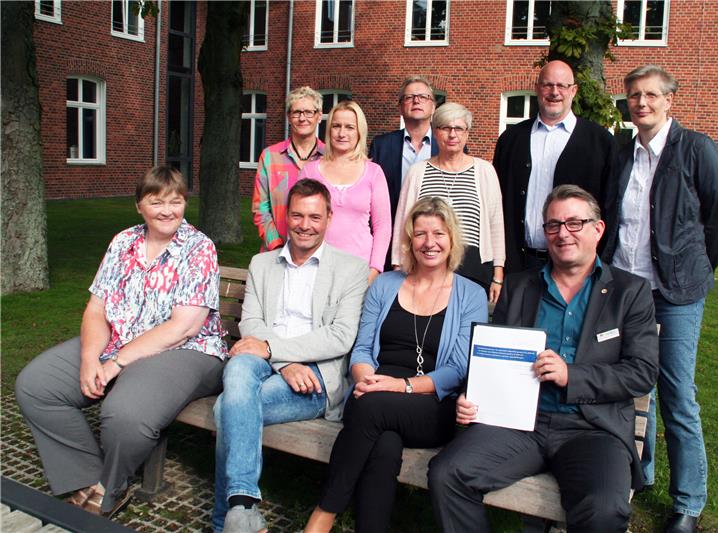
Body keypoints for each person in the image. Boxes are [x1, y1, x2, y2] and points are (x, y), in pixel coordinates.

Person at [428, 185, 659, 533]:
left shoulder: (630, 292)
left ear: (598, 229)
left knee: (604, 509)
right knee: (448, 474)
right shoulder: (520, 287)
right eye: (553, 225)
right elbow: (494, 356)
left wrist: (572, 376)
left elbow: (642, 373)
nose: (563, 233)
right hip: (520, 424)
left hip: (591, 429)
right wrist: (472, 394)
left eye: (574, 223)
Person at [16, 166, 226, 517]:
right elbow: (96, 310)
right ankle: (85, 475)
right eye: (156, 201)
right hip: (121, 340)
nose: (167, 210)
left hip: (187, 351)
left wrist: (114, 363)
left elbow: (183, 327)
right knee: (37, 386)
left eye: (176, 201)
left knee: (125, 414)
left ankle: (110, 486)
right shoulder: (123, 242)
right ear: (138, 206)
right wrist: (88, 357)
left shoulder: (199, 248)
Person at [602, 65, 718, 533]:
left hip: (676, 293)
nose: (642, 103)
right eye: (634, 96)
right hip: (626, 288)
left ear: (669, 100)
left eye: (651, 95)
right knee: (638, 387)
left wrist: (692, 269)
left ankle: (689, 502)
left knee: (678, 394)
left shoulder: (695, 149)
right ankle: (646, 471)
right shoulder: (623, 152)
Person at [304, 197, 488, 533]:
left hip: (431, 405)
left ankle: (323, 515)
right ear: (408, 240)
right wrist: (365, 378)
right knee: (384, 445)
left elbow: (458, 369)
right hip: (374, 391)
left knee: (370, 409)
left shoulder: (471, 295)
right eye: (420, 234)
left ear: (452, 239)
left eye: (438, 233)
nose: (429, 243)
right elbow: (361, 349)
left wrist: (398, 386)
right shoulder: (386, 285)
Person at [212, 179, 369, 533]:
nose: (305, 225)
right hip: (271, 362)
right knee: (239, 367)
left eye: (314, 216)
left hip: (314, 377)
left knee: (227, 409)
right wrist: (284, 362)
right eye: (297, 215)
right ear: (286, 217)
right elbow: (251, 322)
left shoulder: (351, 269)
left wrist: (275, 352)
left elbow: (340, 337)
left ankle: (228, 520)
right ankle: (243, 505)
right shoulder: (262, 263)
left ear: (329, 217)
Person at [493, 60, 617, 274]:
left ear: (574, 90)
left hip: (577, 267)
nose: (554, 92)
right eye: (547, 85)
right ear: (537, 88)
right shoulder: (511, 140)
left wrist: (599, 263)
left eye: (562, 86)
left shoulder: (601, 142)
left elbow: (611, 208)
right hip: (519, 264)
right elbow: (496, 203)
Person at [392, 102, 505, 303]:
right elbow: (403, 222)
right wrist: (399, 266)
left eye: (459, 128)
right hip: (425, 266)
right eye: (445, 128)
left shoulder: (485, 170)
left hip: (473, 268)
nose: (452, 135)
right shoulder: (418, 171)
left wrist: (497, 275)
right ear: (435, 132)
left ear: (467, 133)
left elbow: (496, 224)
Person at [299, 100, 391, 284]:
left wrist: (374, 270)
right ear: (328, 130)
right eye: (336, 126)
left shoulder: (373, 172)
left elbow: (383, 227)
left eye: (349, 127)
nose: (342, 133)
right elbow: (297, 221)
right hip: (315, 268)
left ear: (359, 132)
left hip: (359, 271)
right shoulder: (309, 171)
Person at [369, 75, 439, 270]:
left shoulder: (447, 146)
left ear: (433, 106)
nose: (416, 100)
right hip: (394, 241)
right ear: (400, 107)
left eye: (423, 97)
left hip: (435, 244)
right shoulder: (381, 146)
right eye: (409, 97)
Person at [252, 86, 325, 251]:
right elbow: (260, 209)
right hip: (277, 251)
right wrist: (276, 246)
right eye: (296, 112)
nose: (302, 118)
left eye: (308, 112)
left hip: (320, 255)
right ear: (288, 117)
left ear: (319, 116)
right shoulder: (270, 157)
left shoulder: (330, 158)